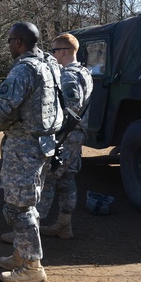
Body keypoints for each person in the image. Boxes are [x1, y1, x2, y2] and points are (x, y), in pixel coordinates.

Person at [0, 22, 62, 282]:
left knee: (19, 207)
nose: (9, 45)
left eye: (10, 40)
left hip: (25, 147)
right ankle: (22, 252)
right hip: (44, 143)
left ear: (19, 42)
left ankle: (32, 266)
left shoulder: (24, 69)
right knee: (25, 202)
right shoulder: (51, 64)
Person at [36, 33, 93, 240]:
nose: (53, 55)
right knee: (67, 179)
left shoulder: (68, 75)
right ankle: (63, 225)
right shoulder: (85, 72)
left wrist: (55, 128)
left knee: (48, 178)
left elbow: (72, 106)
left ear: (63, 51)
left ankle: (31, 231)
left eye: (54, 51)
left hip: (66, 135)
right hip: (76, 135)